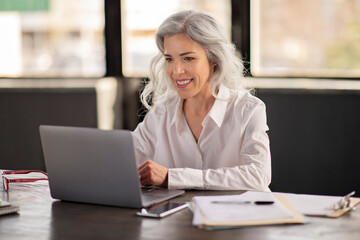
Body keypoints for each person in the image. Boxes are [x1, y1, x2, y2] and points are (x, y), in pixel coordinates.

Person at [132, 10, 271, 191]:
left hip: (235, 216)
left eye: (188, 58)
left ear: (214, 58)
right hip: (178, 216)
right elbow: (124, 162)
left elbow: (258, 176)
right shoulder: (161, 113)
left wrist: (172, 177)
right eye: (169, 59)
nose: (176, 71)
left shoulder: (248, 109)